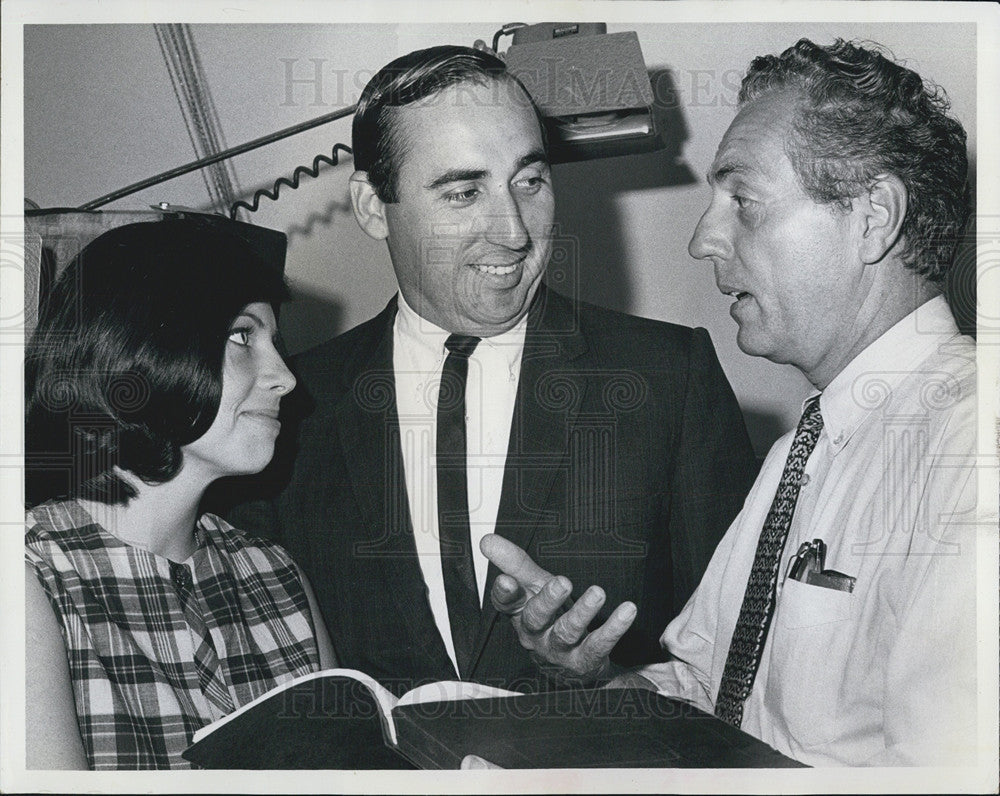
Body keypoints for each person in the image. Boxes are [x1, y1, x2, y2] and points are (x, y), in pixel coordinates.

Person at [482, 38, 979, 766]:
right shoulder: (799, 452)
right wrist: (589, 674)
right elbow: (704, 698)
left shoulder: (972, 446)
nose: (703, 240)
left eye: (742, 201)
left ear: (875, 217)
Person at [225, 45, 757, 696]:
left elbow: (744, 675)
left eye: (529, 180)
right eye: (463, 191)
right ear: (372, 206)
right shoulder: (284, 407)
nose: (513, 230)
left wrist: (607, 682)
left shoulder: (670, 378)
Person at [24, 217, 336, 770]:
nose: (286, 377)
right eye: (243, 336)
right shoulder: (31, 577)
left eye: (275, 342)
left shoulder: (277, 575)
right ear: (143, 345)